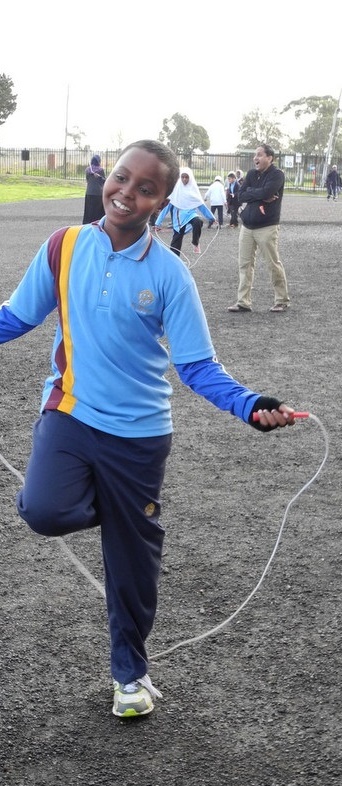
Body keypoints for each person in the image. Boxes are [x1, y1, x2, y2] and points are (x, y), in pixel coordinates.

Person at [0, 139, 297, 718]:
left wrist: (250, 405)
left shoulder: (170, 274)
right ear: (105, 178)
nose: (126, 194)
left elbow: (196, 365)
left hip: (139, 435)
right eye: (120, 179)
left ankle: (129, 676)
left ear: (163, 202)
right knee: (43, 510)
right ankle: (120, 513)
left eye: (145, 189)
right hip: (70, 413)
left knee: (132, 566)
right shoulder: (63, 247)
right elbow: (14, 318)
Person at [227, 144, 290, 313]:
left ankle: (281, 300)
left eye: (259, 155)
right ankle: (243, 302)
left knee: (272, 264)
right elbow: (241, 195)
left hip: (267, 226)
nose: (255, 158)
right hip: (247, 226)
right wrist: (260, 194)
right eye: (255, 155)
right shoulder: (251, 174)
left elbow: (267, 190)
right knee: (244, 264)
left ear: (269, 158)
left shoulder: (277, 175)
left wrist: (255, 193)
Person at [154, 167, 215, 255]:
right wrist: (158, 222)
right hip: (178, 219)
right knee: (176, 242)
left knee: (198, 221)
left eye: (186, 177)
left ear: (190, 178)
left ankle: (195, 242)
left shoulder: (193, 190)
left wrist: (212, 218)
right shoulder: (176, 191)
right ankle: (174, 261)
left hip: (190, 215)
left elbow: (201, 206)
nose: (184, 179)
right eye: (182, 177)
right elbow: (166, 208)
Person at [82, 154, 106, 224]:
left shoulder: (87, 170)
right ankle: (97, 223)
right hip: (98, 193)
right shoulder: (101, 170)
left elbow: (87, 180)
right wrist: (99, 177)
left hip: (89, 193)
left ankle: (87, 223)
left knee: (89, 210)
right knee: (98, 211)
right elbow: (104, 181)